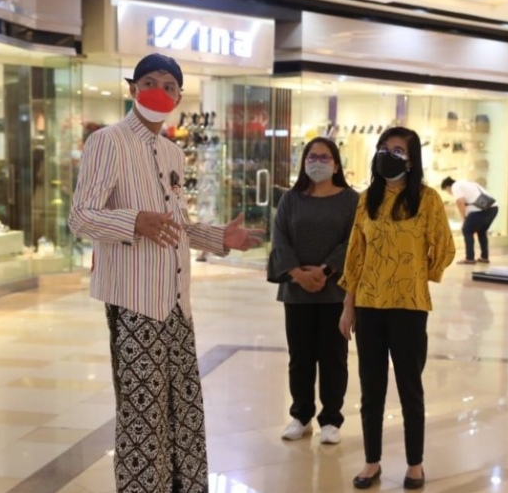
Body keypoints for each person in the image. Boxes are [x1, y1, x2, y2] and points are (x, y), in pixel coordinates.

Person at [68, 53, 263, 493]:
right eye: (150, 82)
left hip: (176, 304)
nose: (160, 91)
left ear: (178, 96)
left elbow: (176, 227)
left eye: (170, 86)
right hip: (135, 303)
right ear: (132, 88)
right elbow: (80, 216)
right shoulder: (108, 142)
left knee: (182, 408)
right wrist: (133, 221)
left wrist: (219, 238)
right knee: (143, 415)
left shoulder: (172, 151)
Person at [339, 127, 455, 490]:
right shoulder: (366, 200)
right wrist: (348, 305)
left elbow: (445, 247)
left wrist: (420, 274)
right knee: (371, 390)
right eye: (384, 149)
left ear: (411, 159)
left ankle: (415, 465)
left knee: (410, 388)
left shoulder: (427, 199)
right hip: (369, 305)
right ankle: (371, 461)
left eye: (398, 150)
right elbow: (355, 255)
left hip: (409, 306)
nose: (388, 155)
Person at [268, 137, 359, 444]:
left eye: (324, 157)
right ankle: (301, 415)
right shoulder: (291, 199)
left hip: (335, 293)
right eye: (312, 157)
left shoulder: (351, 200)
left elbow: (354, 242)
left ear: (336, 165)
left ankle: (331, 419)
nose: (317, 162)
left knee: (334, 357)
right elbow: (280, 238)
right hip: (297, 293)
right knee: (300, 357)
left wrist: (324, 271)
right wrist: (297, 274)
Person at [440, 176, 498, 265]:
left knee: (466, 230)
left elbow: (460, 201)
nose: (449, 193)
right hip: (493, 208)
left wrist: (464, 218)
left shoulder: (455, 186)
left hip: (483, 210)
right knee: (481, 231)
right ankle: (484, 257)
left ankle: (469, 258)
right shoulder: (468, 183)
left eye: (447, 191)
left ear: (448, 187)